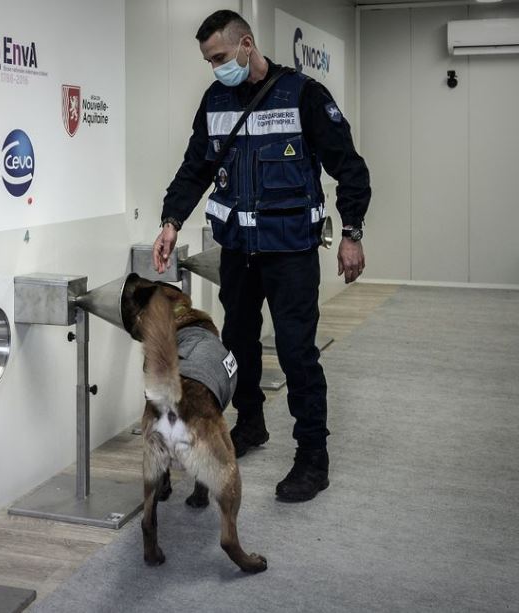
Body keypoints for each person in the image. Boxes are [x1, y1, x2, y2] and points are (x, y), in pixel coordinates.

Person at [151, 10, 371, 502]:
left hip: (290, 252)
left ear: (247, 44)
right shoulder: (215, 101)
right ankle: (250, 424)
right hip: (238, 252)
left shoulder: (303, 96)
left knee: (296, 352)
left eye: (220, 57)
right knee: (238, 345)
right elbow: (195, 168)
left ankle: (313, 456)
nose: (215, 68)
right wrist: (170, 221)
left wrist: (352, 231)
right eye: (209, 61)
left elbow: (350, 168)